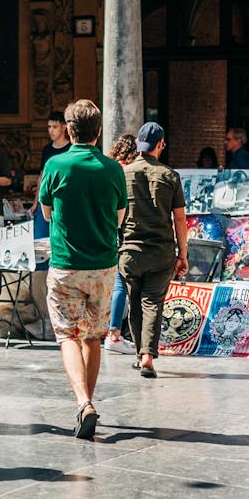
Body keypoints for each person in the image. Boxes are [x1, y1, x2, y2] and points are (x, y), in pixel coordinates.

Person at [39, 99, 126, 439]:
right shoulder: (113, 168)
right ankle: (87, 404)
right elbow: (119, 217)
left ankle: (83, 402)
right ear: (98, 131)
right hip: (103, 264)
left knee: (67, 335)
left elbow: (46, 212)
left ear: (69, 129)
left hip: (66, 264)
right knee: (92, 335)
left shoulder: (56, 165)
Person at [120, 122, 188, 378]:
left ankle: (141, 354)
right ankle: (147, 355)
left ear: (138, 145)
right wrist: (183, 254)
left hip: (130, 249)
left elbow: (114, 213)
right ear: (160, 145)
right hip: (161, 252)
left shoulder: (123, 174)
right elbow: (179, 219)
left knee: (134, 303)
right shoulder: (170, 176)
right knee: (152, 303)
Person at [104, 133, 139, 354]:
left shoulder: (108, 167)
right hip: (122, 228)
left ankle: (110, 331)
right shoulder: (127, 170)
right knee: (120, 282)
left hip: (105, 228)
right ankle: (114, 333)